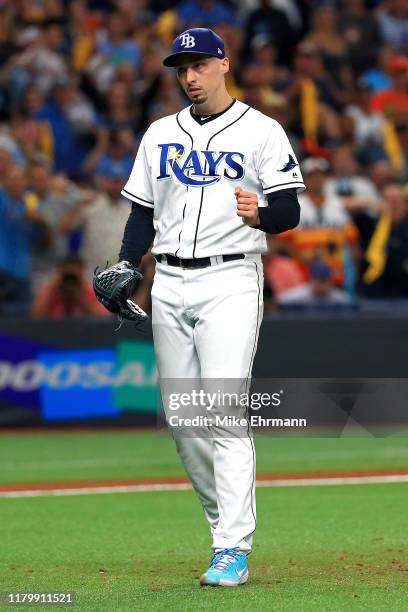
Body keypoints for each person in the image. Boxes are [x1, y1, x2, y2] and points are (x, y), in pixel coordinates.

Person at [94, 28, 304, 587]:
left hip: (232, 277)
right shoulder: (161, 132)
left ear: (223, 65)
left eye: (199, 64)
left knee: (223, 412)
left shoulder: (262, 130)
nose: (189, 75)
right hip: (168, 282)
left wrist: (259, 213)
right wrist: (125, 263)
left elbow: (288, 211)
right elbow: (142, 210)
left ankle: (233, 545)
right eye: (181, 66)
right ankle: (221, 529)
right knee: (186, 423)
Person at [31, 255, 108, 318]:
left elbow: (103, 318)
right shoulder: (51, 290)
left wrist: (80, 297)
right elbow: (35, 316)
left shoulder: (91, 291)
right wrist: (53, 288)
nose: (70, 279)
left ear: (82, 272)